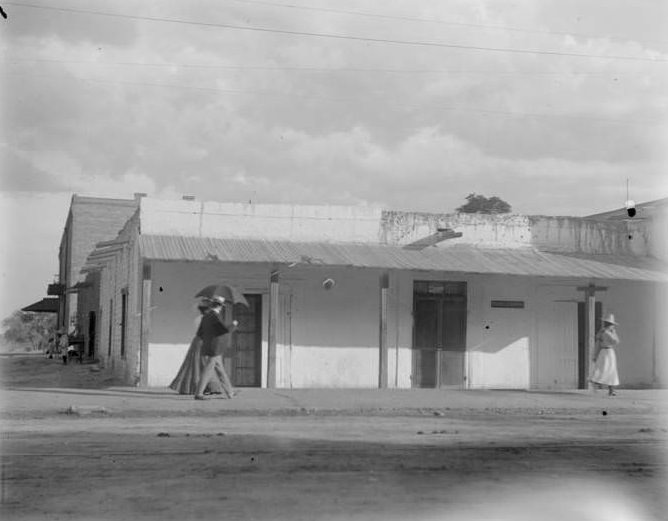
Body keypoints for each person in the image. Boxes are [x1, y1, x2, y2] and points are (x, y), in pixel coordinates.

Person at [169, 299, 228, 396]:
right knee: (204, 365)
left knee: (198, 365)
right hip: (203, 341)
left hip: (199, 341)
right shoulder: (206, 319)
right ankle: (205, 388)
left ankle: (204, 388)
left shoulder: (200, 318)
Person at [194, 296, 238, 400]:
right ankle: (199, 393)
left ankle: (230, 392)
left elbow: (200, 332)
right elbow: (222, 330)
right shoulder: (215, 316)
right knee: (209, 369)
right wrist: (233, 325)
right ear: (219, 306)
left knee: (220, 370)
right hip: (215, 347)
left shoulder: (205, 316)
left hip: (209, 345)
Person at [590, 313, 620, 396]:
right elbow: (616, 341)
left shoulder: (602, 332)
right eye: (609, 324)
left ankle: (610, 389)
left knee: (609, 369)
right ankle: (596, 381)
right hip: (607, 352)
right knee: (606, 369)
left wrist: (595, 355)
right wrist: (613, 332)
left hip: (607, 352)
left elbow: (598, 344)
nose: (610, 325)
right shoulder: (606, 332)